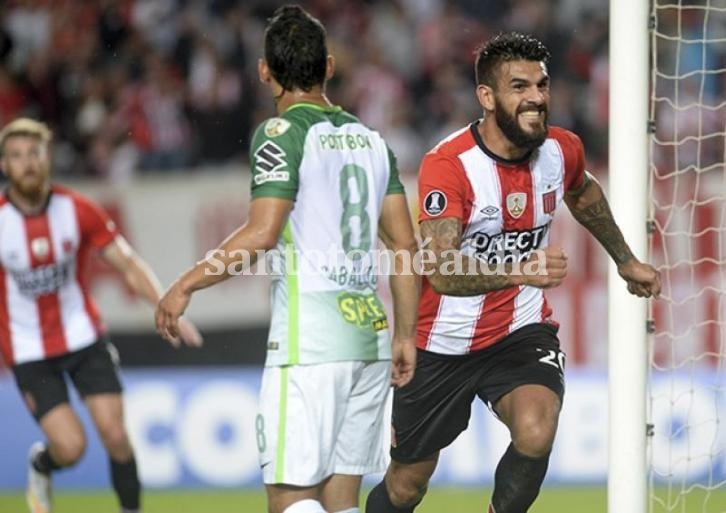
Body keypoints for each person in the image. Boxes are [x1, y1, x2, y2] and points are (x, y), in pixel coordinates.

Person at [365, 32, 662, 513]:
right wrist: (520, 268)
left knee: (536, 428)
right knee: (406, 486)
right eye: (519, 86)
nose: (536, 99)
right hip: (441, 341)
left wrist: (625, 260)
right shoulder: (449, 165)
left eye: (542, 86)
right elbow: (439, 270)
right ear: (487, 97)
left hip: (519, 332)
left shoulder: (561, 150)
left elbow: (583, 195)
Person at [155, 6, 419, 513]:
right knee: (341, 502)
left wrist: (185, 283)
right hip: (369, 337)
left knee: (290, 499)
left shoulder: (280, 135)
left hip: (310, 342)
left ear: (264, 71)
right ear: (330, 67)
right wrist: (405, 334)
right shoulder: (372, 141)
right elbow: (404, 247)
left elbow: (261, 233)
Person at [0, 118, 203, 513]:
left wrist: (164, 305)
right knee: (72, 448)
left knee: (115, 435)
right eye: (17, 156)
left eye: (34, 154)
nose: (27, 163)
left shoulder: (77, 210)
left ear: (47, 158)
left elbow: (126, 262)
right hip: (28, 349)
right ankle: (43, 463)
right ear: (5, 166)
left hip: (83, 336)